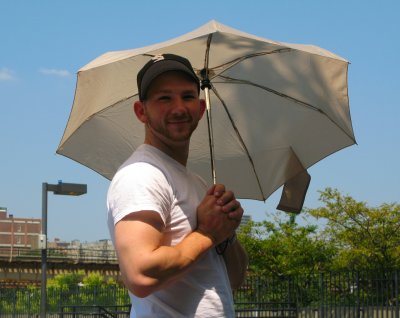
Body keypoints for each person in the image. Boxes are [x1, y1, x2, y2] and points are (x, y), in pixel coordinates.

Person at [107, 53, 248, 318]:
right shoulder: (141, 174)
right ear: (141, 111)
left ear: (201, 108)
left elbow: (232, 282)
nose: (179, 108)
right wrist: (207, 233)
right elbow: (140, 274)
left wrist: (227, 231)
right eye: (164, 98)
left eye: (187, 96)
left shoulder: (197, 183)